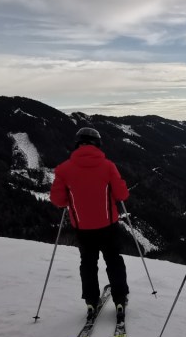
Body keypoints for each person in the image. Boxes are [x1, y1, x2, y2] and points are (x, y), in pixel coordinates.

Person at [50, 127, 130, 323]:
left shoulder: (63, 169)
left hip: (83, 228)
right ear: (97, 144)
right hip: (108, 226)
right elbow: (121, 195)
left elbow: (58, 200)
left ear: (77, 144)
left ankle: (91, 301)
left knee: (88, 264)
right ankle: (120, 299)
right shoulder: (108, 166)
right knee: (114, 261)